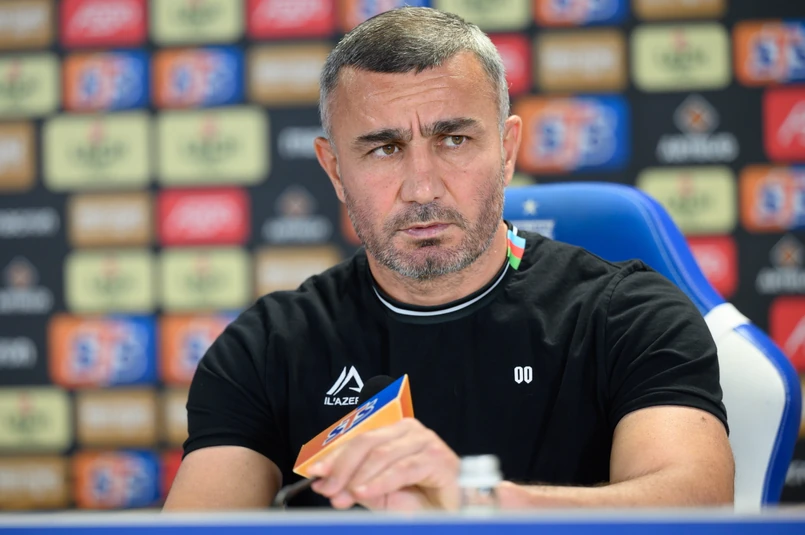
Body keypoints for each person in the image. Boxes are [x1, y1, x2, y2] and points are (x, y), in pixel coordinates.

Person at [163, 7, 734, 511]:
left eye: (453, 140)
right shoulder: (266, 346)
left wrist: (473, 501)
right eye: (384, 148)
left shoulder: (630, 315)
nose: (422, 187)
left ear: (506, 150)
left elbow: (696, 505)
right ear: (335, 170)